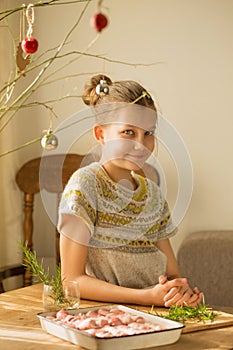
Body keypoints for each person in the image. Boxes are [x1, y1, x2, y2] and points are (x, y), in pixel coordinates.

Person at [58, 74, 203, 307]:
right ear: (100, 134)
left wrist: (179, 292)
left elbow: (172, 273)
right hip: (108, 315)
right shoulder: (84, 186)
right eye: (128, 132)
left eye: (149, 133)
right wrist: (146, 297)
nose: (141, 144)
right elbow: (71, 280)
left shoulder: (152, 195)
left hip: (155, 312)